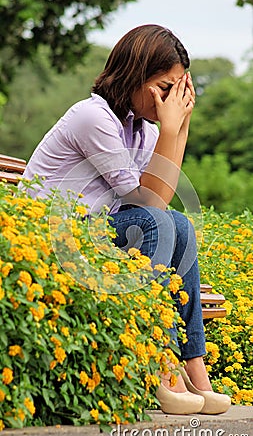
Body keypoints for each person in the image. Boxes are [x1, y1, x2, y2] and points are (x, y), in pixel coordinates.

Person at [20, 24, 231, 415]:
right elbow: (151, 204)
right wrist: (172, 125)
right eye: (164, 88)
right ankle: (162, 364)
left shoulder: (142, 131)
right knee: (158, 222)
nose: (170, 100)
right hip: (49, 236)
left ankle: (193, 368)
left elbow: (157, 199)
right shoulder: (93, 117)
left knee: (178, 223)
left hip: (93, 236)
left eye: (177, 91)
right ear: (136, 74)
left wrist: (179, 126)